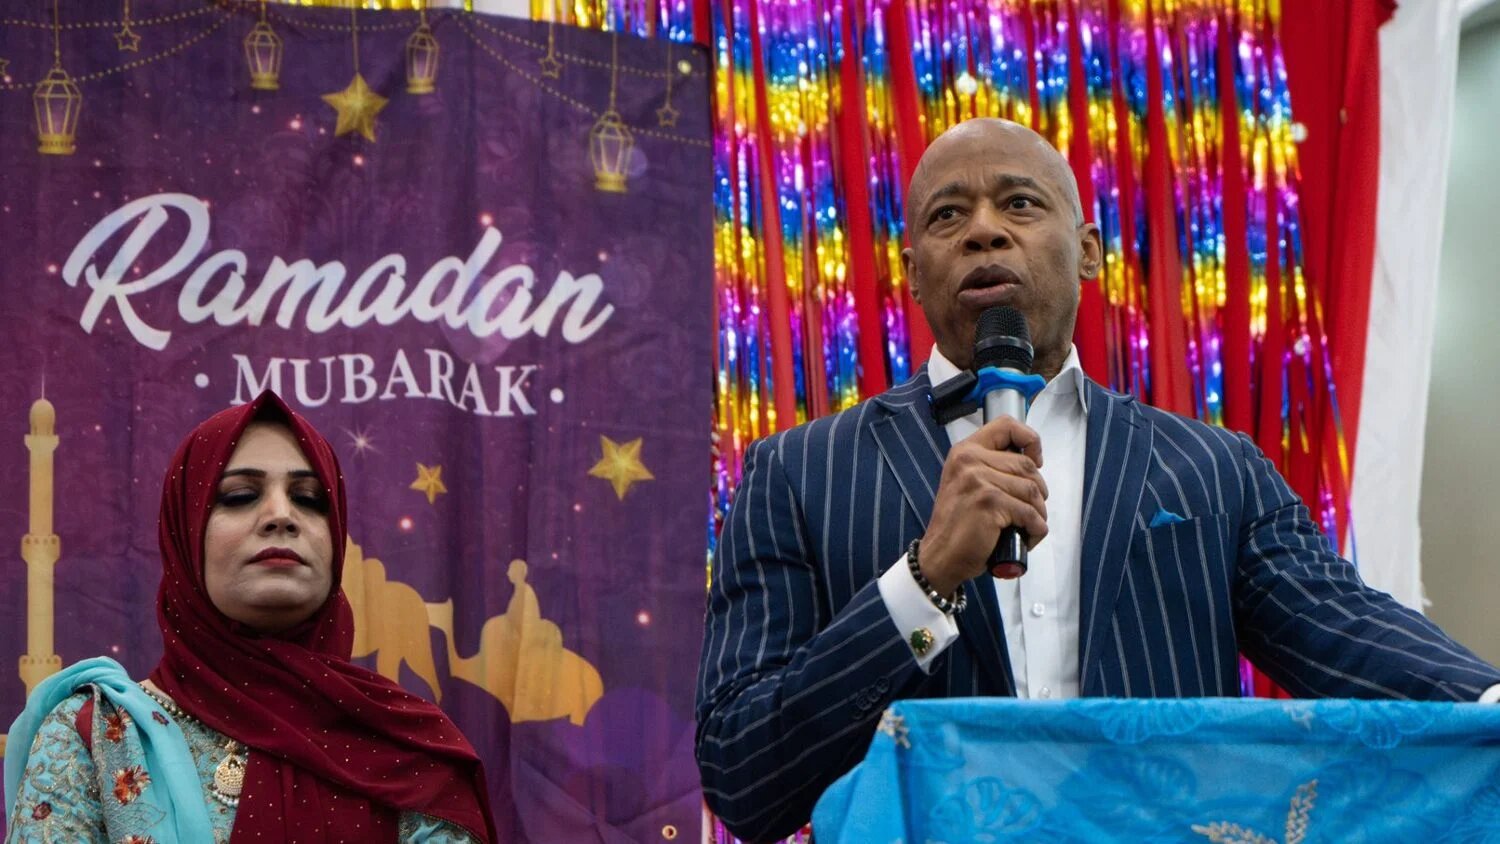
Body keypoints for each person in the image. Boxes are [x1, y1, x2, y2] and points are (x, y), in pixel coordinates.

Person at [694, 117, 1500, 842]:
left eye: (1018, 204)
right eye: (949, 215)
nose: (983, 232)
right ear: (911, 270)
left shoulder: (1212, 470)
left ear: (1087, 248)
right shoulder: (798, 473)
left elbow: (1344, 631)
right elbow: (744, 777)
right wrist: (923, 579)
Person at [4, 391, 496, 843]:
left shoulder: (410, 751)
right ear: (186, 532)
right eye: (240, 495)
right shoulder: (97, 736)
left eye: (309, 499)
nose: (281, 514)